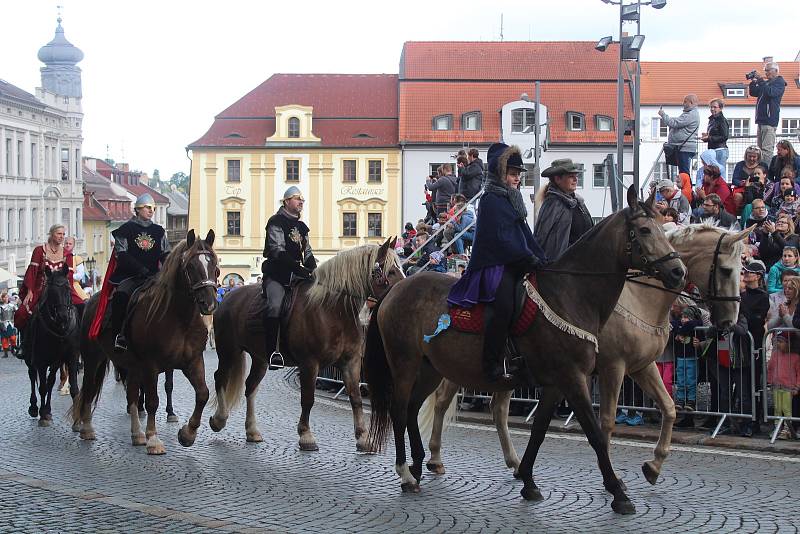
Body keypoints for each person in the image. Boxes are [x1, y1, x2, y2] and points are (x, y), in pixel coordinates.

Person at [447, 143, 546, 381]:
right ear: (501, 174)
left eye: (518, 176)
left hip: (514, 261)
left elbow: (524, 234)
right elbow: (501, 240)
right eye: (513, 175)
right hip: (493, 265)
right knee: (504, 306)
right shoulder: (491, 199)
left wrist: (541, 258)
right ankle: (491, 365)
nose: (517, 180)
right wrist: (526, 258)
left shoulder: (514, 199)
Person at [109, 193, 171, 352]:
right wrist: (140, 269)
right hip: (130, 276)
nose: (151, 211)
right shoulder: (126, 229)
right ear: (138, 209)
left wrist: (168, 268)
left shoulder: (159, 231)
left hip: (154, 276)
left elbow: (165, 253)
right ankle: (119, 335)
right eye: (148, 208)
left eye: (153, 208)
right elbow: (121, 254)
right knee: (121, 297)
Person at [261, 186, 317, 357]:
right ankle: (272, 351)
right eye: (296, 198)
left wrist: (314, 270)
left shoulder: (301, 226)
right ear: (286, 201)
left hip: (297, 275)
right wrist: (298, 268)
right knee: (275, 305)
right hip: (278, 274)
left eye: (302, 199)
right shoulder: (276, 221)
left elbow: (307, 252)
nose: (301, 201)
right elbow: (278, 250)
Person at [16, 224, 83, 335]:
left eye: (63, 234)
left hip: (62, 290)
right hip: (40, 289)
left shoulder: (67, 255)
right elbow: (32, 273)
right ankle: (25, 343)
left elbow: (69, 278)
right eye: (59, 234)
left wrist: (69, 293)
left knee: (82, 307)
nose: (62, 237)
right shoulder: (39, 251)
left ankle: (81, 341)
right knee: (22, 313)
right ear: (51, 234)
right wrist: (29, 291)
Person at [534, 158, 594, 261]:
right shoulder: (553, 204)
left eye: (576, 176)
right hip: (562, 269)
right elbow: (542, 238)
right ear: (558, 179)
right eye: (571, 176)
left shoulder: (578, 202)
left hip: (584, 265)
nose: (575, 180)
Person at [749, 61, 787, 163]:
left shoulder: (779, 83)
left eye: (767, 70)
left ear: (775, 71)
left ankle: (766, 173)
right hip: (761, 120)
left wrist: (761, 80)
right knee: (760, 150)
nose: (766, 72)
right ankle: (761, 170)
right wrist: (753, 81)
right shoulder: (766, 83)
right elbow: (754, 92)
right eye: (765, 70)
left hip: (769, 120)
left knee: (766, 150)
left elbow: (771, 93)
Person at [673, 305, 703, 427]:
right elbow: (673, 324)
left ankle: (691, 400)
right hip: (681, 358)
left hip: (692, 358)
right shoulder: (679, 324)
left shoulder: (695, 326)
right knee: (680, 380)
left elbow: (695, 323)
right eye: (682, 317)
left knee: (691, 380)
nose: (683, 320)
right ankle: (680, 399)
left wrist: (681, 331)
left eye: (686, 317)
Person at [766, 332, 799, 439]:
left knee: (787, 409)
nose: (779, 344)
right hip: (776, 386)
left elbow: (799, 373)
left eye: (781, 342)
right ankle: (777, 427)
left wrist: (797, 386)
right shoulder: (775, 355)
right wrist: (770, 381)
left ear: (789, 344)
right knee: (777, 408)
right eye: (778, 342)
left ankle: (787, 429)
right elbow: (770, 368)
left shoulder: (795, 357)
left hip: (789, 388)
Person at [658, 94, 700, 175]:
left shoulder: (691, 114)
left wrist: (663, 115)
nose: (683, 104)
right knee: (683, 172)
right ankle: (686, 186)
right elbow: (678, 122)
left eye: (685, 102)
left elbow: (674, 123)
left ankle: (687, 187)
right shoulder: (689, 114)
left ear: (691, 103)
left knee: (684, 172)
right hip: (682, 147)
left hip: (684, 148)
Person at [701, 99, 729, 179]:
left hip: (720, 150)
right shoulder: (712, 119)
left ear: (720, 108)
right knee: (714, 173)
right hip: (713, 150)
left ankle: (722, 190)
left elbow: (724, 136)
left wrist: (709, 138)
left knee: (719, 173)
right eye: (711, 107)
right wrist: (707, 136)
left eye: (715, 107)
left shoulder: (722, 120)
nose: (712, 109)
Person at [0, 292, 18, 358]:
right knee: (4, 339)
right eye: (4, 297)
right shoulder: (1, 307)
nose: (6, 298)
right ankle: (5, 353)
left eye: (7, 297)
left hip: (11, 323)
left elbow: (17, 311)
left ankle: (13, 349)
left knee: (13, 338)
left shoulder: (12, 305)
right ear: (2, 298)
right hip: (3, 324)